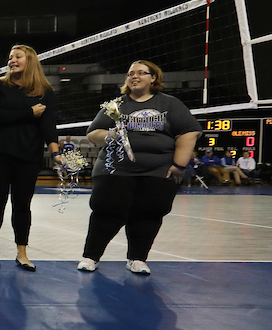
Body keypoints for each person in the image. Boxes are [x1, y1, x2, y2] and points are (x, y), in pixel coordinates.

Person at [78, 60, 201, 275]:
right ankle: (91, 257)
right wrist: (110, 135)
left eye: (141, 73)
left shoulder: (170, 104)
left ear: (153, 77)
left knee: (149, 214)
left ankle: (137, 258)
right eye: (130, 74)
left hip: (157, 171)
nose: (134, 76)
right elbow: (92, 133)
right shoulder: (115, 105)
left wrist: (179, 165)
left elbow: (189, 133)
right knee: (106, 212)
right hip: (115, 170)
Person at [0, 45, 61, 271]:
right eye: (10, 57)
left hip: (28, 154)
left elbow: (48, 124)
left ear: (30, 61)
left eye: (17, 57)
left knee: (23, 205)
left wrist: (56, 153)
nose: (12, 60)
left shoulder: (44, 91)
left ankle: (22, 252)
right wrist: (28, 113)